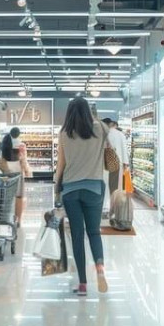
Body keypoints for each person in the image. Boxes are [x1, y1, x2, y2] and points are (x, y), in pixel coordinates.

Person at [55, 97, 110, 296]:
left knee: (77, 236)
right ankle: (100, 268)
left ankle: (83, 284)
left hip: (70, 190)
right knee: (94, 232)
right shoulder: (101, 129)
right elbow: (103, 129)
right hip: (94, 188)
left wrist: (56, 188)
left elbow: (60, 165)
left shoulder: (64, 133)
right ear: (89, 111)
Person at [0, 127, 28, 226]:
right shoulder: (21, 144)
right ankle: (18, 220)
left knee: (7, 196)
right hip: (17, 171)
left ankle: (6, 218)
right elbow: (23, 160)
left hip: (6, 172)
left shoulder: (4, 142)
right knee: (19, 197)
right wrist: (27, 171)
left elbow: (0, 160)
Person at [103, 118, 128, 195]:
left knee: (105, 184)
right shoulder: (120, 134)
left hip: (104, 164)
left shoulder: (102, 134)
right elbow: (124, 149)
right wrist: (125, 163)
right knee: (117, 186)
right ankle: (115, 203)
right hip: (117, 162)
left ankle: (105, 204)